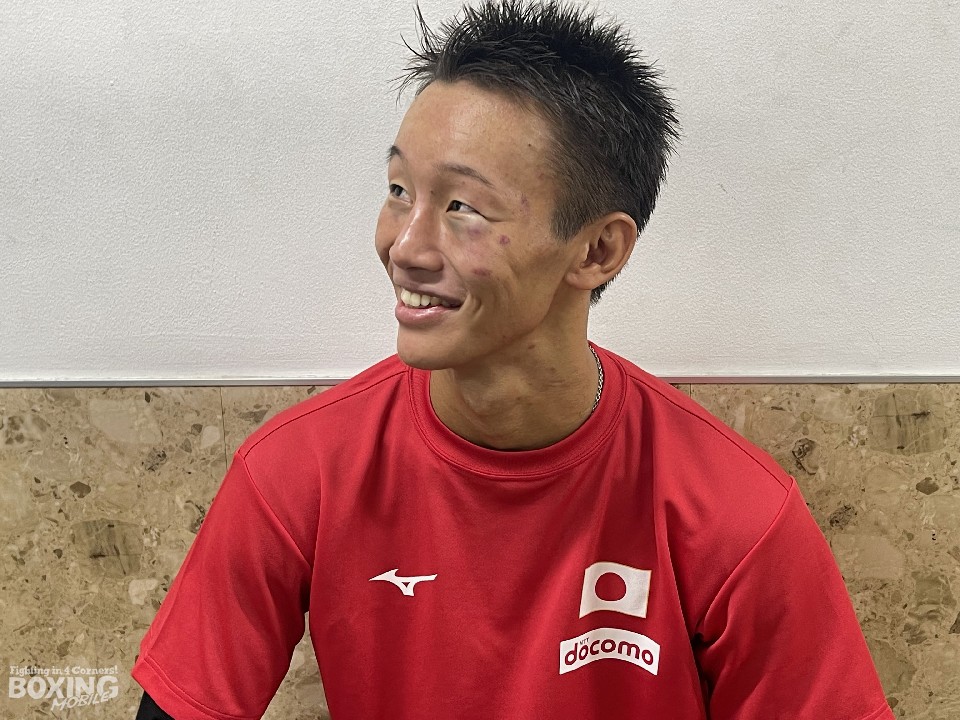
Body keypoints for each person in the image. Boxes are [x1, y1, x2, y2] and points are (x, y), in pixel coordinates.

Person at [132, 2, 894, 718]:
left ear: (597, 250)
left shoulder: (736, 515)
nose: (405, 246)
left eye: (462, 206)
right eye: (399, 190)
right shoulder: (297, 471)